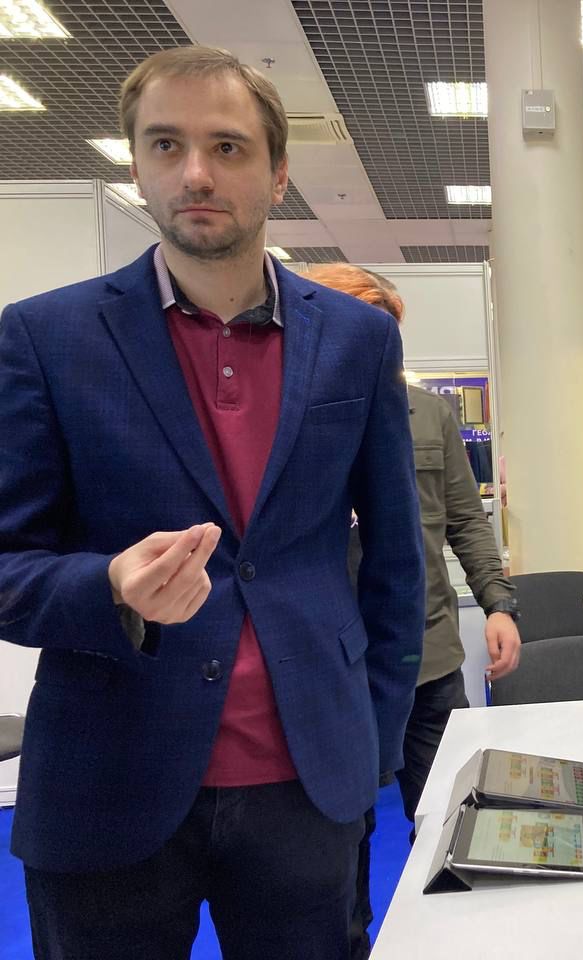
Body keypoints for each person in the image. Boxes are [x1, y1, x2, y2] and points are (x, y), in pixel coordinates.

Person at [0, 47, 426, 960]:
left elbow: (397, 560)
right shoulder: (45, 336)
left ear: (277, 173)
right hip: (108, 778)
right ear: (137, 165)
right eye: (167, 145)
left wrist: (373, 743)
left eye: (227, 146)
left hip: (308, 781)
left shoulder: (357, 340)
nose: (196, 173)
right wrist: (108, 587)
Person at [306, 265, 521, 960]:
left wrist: (498, 603)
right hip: (331, 669)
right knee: (340, 842)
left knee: (456, 821)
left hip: (427, 657)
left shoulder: (429, 415)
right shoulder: (288, 418)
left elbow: (466, 518)